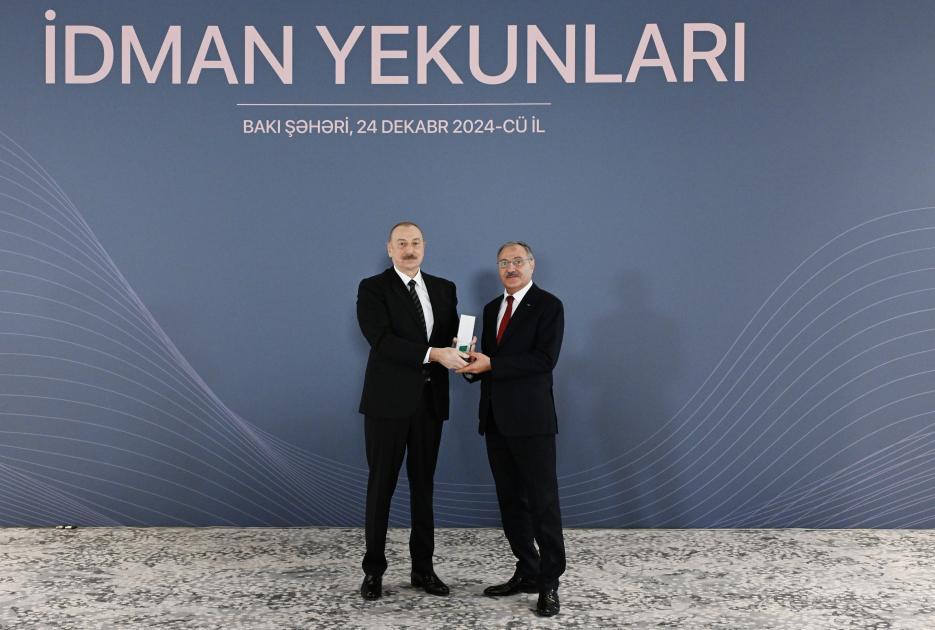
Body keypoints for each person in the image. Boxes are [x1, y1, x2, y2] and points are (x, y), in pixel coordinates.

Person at [356, 221, 468, 600]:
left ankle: (423, 570)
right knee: (381, 488)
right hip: (387, 405)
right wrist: (436, 354)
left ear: (424, 246)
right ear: (390, 249)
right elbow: (382, 341)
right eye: (401, 243)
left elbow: (452, 338)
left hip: (430, 405)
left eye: (416, 242)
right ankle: (373, 572)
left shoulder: (444, 288)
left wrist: (463, 349)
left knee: (424, 488)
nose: (409, 249)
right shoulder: (373, 288)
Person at [457, 240, 566, 617]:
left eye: (518, 261)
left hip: (532, 421)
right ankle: (528, 569)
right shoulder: (491, 309)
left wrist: (491, 365)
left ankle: (549, 583)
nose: (511, 268)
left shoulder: (549, 306)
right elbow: (490, 363)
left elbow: (544, 360)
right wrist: (468, 365)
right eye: (504, 262)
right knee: (510, 502)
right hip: (495, 419)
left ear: (532, 265)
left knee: (543, 503)